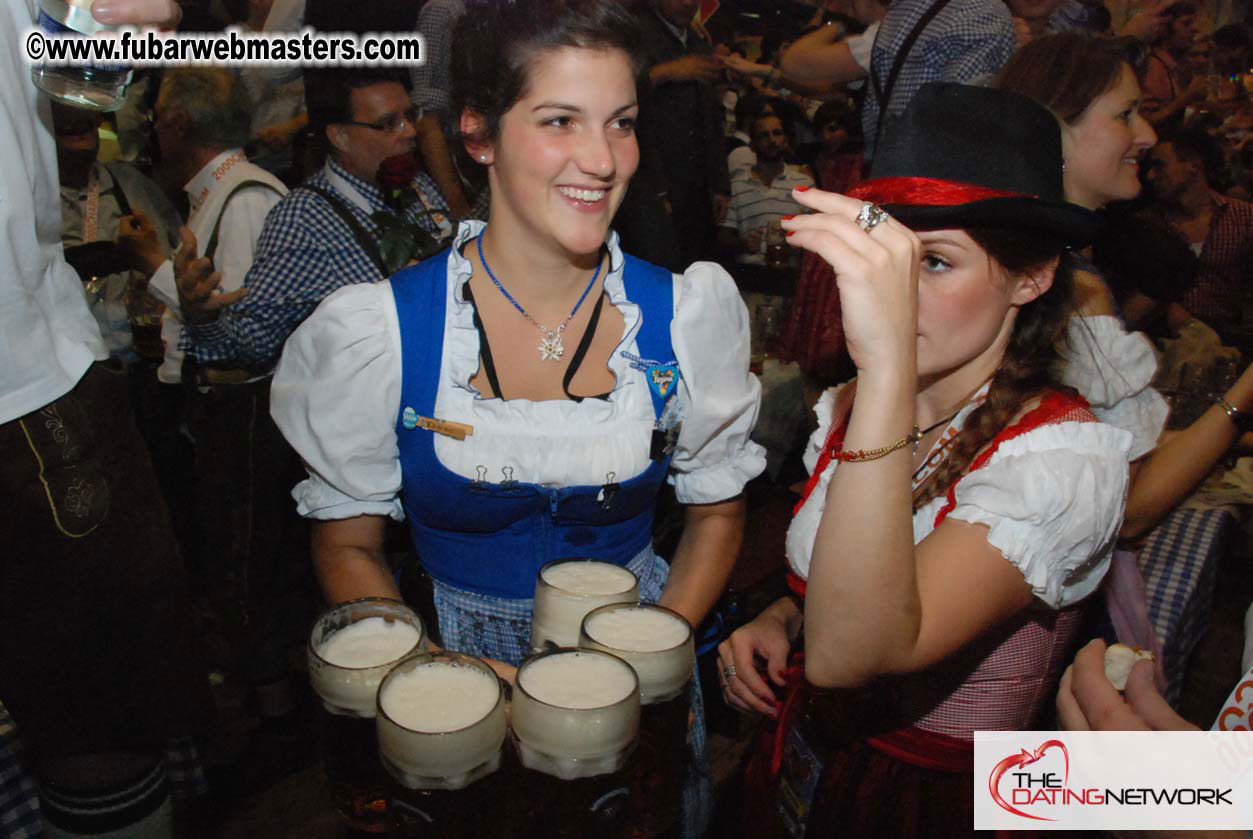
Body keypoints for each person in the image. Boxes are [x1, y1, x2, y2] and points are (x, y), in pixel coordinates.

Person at [270, 1, 765, 836]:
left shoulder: (682, 313)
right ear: (478, 134)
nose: (602, 160)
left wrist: (642, 665)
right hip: (449, 677)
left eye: (622, 124)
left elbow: (716, 514)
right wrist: (437, 678)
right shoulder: (383, 329)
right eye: (559, 121)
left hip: (635, 670)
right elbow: (346, 540)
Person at [717, 83, 1130, 837]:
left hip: (932, 803)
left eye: (933, 262)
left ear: (1031, 276)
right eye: (886, 258)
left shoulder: (1061, 461)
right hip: (804, 759)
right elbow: (855, 587)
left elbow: (859, 653)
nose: (892, 295)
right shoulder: (850, 406)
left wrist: (880, 375)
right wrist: (783, 613)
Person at [1, 1, 216, 837]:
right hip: (22, 378)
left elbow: (85, 65)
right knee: (99, 709)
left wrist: (109, 25)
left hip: (36, 364)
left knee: (97, 703)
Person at [999, 33, 1253, 542]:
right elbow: (1129, 506)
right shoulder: (1067, 284)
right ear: (1054, 129)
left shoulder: (1031, 253)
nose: (1146, 135)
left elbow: (1112, 449)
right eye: (1125, 115)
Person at [180, 68, 452, 374]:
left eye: (410, 115)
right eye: (388, 124)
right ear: (340, 136)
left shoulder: (419, 187)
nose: (410, 131)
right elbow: (251, 343)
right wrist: (202, 318)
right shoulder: (302, 220)